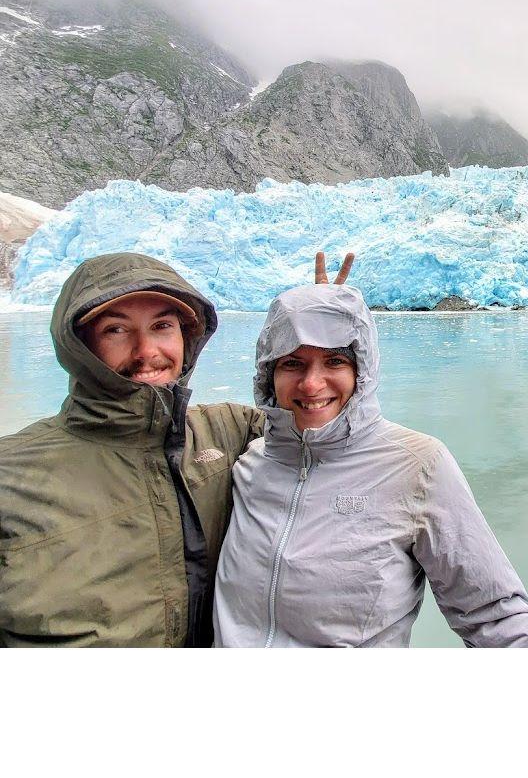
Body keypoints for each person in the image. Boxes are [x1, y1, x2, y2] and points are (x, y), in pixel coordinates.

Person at [0, 249, 354, 648]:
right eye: (116, 330)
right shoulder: (12, 475)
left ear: (187, 337)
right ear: (79, 346)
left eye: (162, 326)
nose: (146, 351)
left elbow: (320, 433)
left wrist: (318, 338)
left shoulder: (228, 432)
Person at [213, 282, 528, 647]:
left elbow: (494, 614)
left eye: (335, 361)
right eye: (292, 363)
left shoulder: (417, 465)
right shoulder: (250, 465)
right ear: (269, 373)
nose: (312, 383)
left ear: (363, 370)